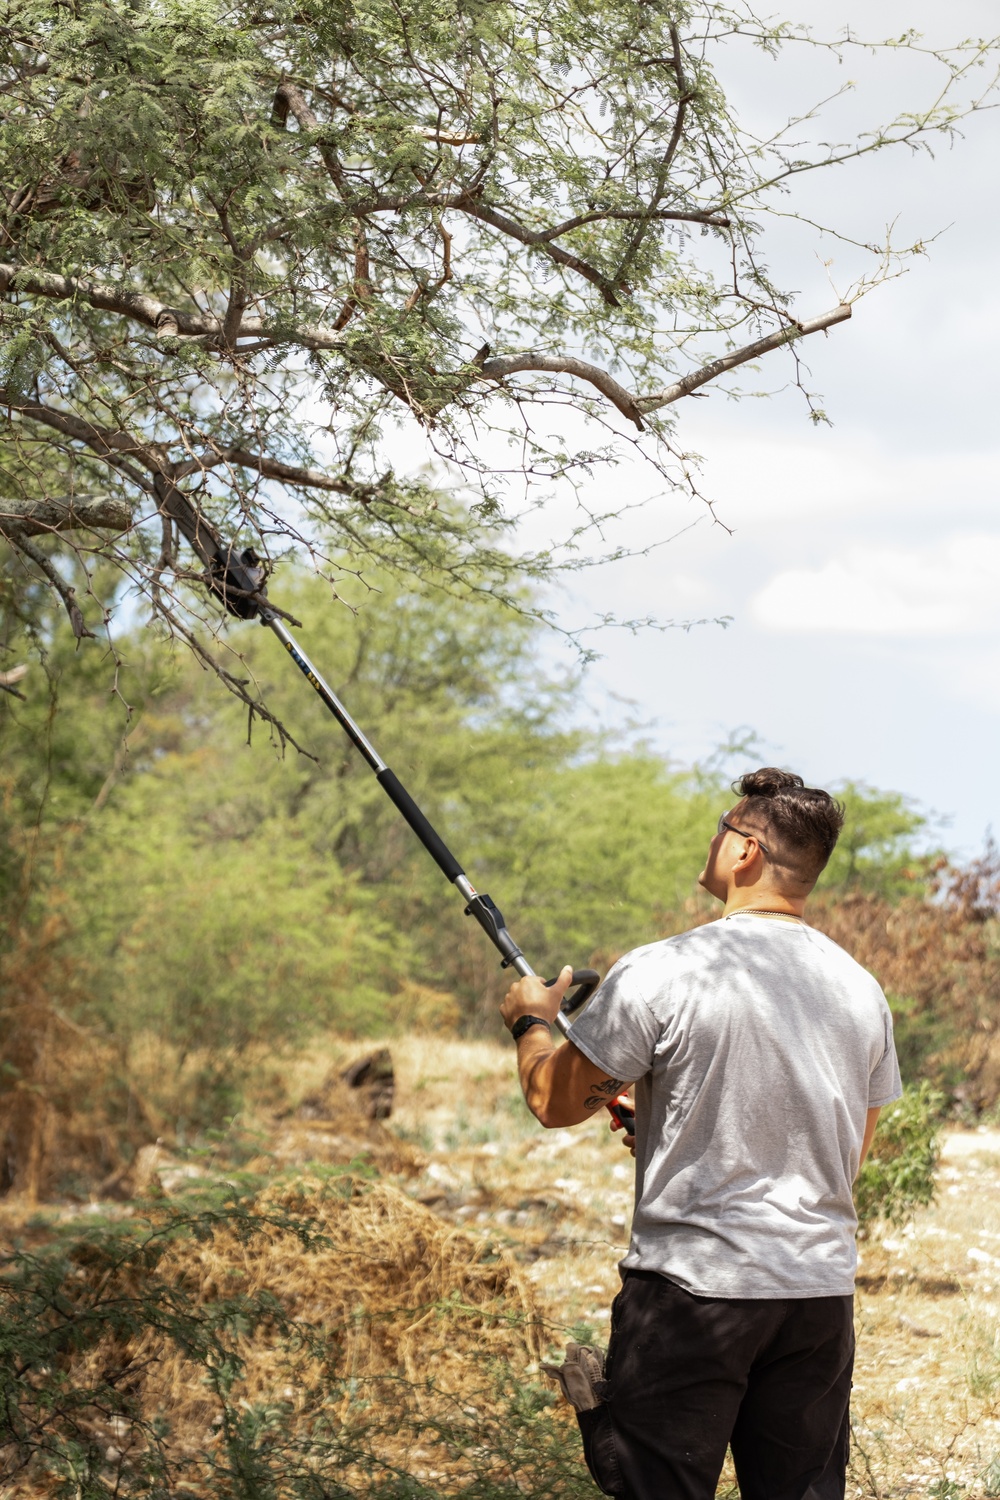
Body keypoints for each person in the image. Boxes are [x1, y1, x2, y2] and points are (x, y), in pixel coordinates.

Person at [500, 767, 901, 1500]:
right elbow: (845, 1158)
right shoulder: (860, 989)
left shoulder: (664, 970)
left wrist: (530, 1019)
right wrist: (671, 1128)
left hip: (693, 1292)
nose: (713, 837)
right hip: (816, 1296)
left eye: (722, 825)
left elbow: (552, 1102)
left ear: (745, 852)